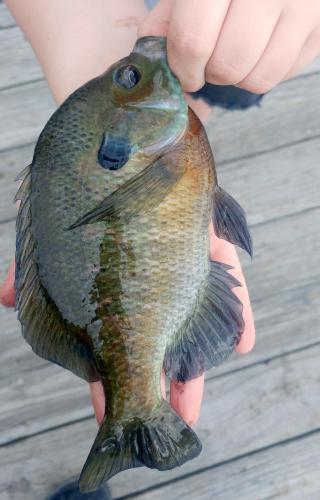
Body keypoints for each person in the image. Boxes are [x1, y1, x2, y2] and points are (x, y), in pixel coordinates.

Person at [1, 1, 319, 498]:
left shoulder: (160, 136)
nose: (144, 61)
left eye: (129, 77)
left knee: (221, 79)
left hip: (241, 44)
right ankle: (134, 415)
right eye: (130, 77)